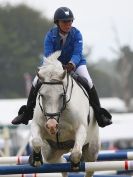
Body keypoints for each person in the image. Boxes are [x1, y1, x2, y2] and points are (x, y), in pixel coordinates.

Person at [12, 7, 112, 127]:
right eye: (65, 22)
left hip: (76, 64)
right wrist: (59, 67)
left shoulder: (77, 34)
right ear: (57, 23)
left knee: (89, 82)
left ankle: (99, 114)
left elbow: (77, 53)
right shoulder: (50, 36)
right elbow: (49, 55)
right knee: (35, 82)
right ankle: (27, 113)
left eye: (70, 21)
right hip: (53, 65)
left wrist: (71, 64)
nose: (68, 24)